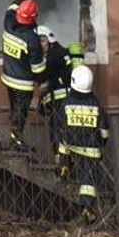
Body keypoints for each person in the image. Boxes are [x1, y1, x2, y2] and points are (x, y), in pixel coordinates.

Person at [57, 64, 109, 224]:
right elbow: (104, 132)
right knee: (89, 179)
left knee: (62, 142)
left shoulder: (66, 103)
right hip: (91, 149)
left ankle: (64, 165)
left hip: (70, 144)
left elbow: (60, 125)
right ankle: (87, 206)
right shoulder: (96, 105)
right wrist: (101, 143)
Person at [2, 0, 46, 151]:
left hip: (7, 78)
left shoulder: (8, 23)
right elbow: (38, 69)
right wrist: (42, 81)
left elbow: (10, 9)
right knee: (21, 112)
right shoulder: (32, 39)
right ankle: (16, 140)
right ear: (34, 17)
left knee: (14, 108)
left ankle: (14, 135)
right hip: (23, 84)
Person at [36, 26, 70, 158]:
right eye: (38, 42)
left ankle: (61, 163)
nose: (40, 45)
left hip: (60, 103)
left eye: (43, 41)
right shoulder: (62, 53)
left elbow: (41, 76)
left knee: (58, 133)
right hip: (61, 103)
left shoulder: (54, 56)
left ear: (50, 41)